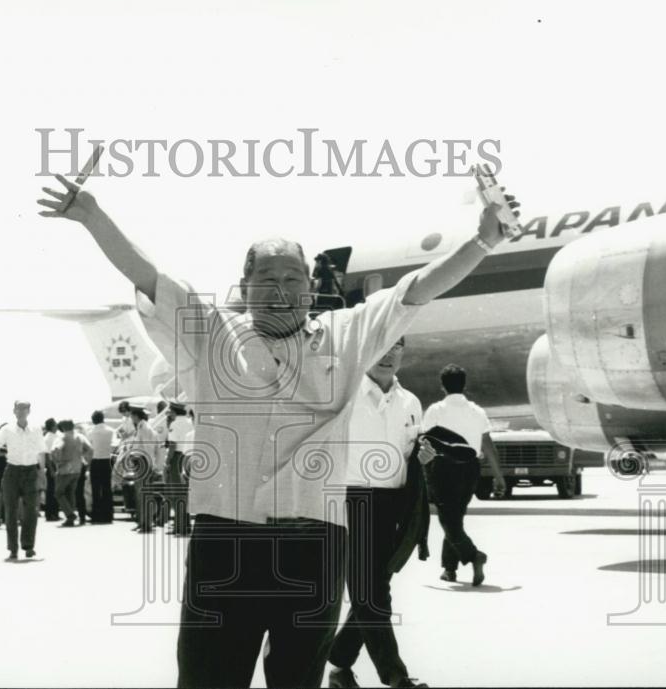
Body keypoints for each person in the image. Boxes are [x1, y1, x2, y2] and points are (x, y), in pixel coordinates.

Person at [38, 167, 518, 687]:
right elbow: (150, 276)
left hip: (313, 544)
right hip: (225, 543)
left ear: (310, 289)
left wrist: (482, 242)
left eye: (293, 279)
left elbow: (416, 290)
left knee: (296, 680)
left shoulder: (347, 334)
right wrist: (90, 215)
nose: (281, 290)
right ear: (245, 287)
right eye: (267, 279)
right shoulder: (211, 334)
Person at [327, 339, 435, 688]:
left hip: (393, 505)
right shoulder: (343, 395)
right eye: (381, 346)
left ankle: (339, 662)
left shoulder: (411, 402)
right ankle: (394, 675)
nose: (389, 355)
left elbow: (409, 451)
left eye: (397, 347)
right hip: (350, 502)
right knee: (371, 594)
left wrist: (423, 456)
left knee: (373, 588)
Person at [419, 364, 506, 586]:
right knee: (455, 517)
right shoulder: (477, 411)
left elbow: (424, 441)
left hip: (442, 468)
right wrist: (499, 476)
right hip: (470, 469)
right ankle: (449, 569)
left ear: (442, 386)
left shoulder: (436, 410)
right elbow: (488, 445)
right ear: (464, 384)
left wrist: (418, 471)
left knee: (448, 519)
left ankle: (473, 555)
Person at [0, 400, 47, 560]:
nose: (21, 411)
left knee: (31, 511)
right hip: (12, 471)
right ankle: (13, 549)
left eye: (24, 408)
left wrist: (42, 473)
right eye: (18, 408)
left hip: (30, 471)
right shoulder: (7, 430)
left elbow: (41, 451)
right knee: (10, 511)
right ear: (14, 411)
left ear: (29, 411)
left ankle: (28, 546)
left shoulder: (36, 430)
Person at [124, 405, 163, 533]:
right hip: (141, 462)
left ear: (136, 416)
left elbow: (148, 448)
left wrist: (149, 466)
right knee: (140, 495)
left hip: (143, 463)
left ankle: (146, 523)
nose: (131, 418)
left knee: (143, 495)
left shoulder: (145, 429)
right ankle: (142, 522)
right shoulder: (141, 428)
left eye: (131, 416)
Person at [51, 420, 90, 526]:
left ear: (63, 427)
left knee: (58, 493)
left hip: (65, 469)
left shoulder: (62, 437)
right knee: (70, 493)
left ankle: (70, 515)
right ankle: (70, 518)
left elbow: (56, 449)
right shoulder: (80, 437)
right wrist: (81, 456)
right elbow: (89, 449)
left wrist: (57, 461)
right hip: (78, 468)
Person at [164, 401, 194, 536]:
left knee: (176, 495)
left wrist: (167, 461)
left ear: (174, 411)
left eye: (170, 411)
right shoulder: (189, 422)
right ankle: (184, 525)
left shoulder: (174, 424)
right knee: (184, 494)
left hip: (177, 458)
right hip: (188, 456)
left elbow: (172, 445)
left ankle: (180, 527)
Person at [86, 410, 115, 524]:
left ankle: (97, 515)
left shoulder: (90, 432)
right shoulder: (110, 431)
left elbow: (89, 448)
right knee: (107, 488)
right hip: (107, 460)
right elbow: (114, 446)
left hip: (95, 461)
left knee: (95, 489)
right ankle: (108, 515)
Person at [41, 418, 60, 521]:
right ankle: (52, 513)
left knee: (52, 491)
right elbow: (47, 455)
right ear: (52, 426)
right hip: (52, 465)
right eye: (55, 424)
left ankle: (52, 513)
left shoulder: (47, 437)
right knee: (52, 491)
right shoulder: (50, 438)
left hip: (51, 465)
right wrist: (52, 469)